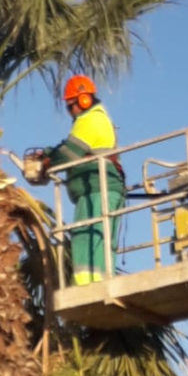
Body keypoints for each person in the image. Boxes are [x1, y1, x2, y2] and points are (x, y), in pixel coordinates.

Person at [41, 75, 126, 285]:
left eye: (71, 106)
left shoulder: (90, 119)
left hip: (97, 189)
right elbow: (68, 147)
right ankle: (99, 281)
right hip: (100, 188)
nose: (71, 112)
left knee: (87, 236)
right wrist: (48, 153)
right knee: (99, 236)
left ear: (82, 101)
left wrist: (46, 163)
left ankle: (88, 284)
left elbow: (70, 152)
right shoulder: (95, 119)